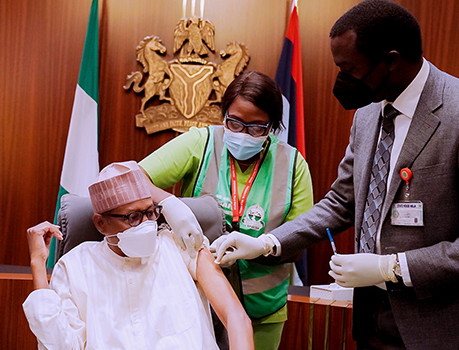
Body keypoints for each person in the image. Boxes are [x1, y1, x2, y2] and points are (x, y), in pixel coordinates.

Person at [211, 1, 459, 349]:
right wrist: (269, 242)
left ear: (391, 61)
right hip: (371, 321)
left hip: (437, 326)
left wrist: (393, 267)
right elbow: (342, 201)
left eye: (348, 68)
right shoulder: (369, 114)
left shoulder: (455, 112)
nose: (342, 80)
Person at [139, 70, 314, 350]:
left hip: (263, 313)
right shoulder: (202, 142)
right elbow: (131, 178)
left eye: (256, 127)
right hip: (193, 303)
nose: (243, 134)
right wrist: (170, 204)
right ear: (224, 116)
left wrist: (260, 248)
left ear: (272, 126)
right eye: (235, 123)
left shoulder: (292, 165)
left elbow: (301, 240)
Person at [23, 161, 254, 350]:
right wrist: (38, 264)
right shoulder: (75, 267)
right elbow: (61, 346)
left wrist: (170, 202)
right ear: (101, 224)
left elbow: (236, 317)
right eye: (133, 217)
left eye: (151, 212)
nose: (146, 224)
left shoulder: (180, 246)